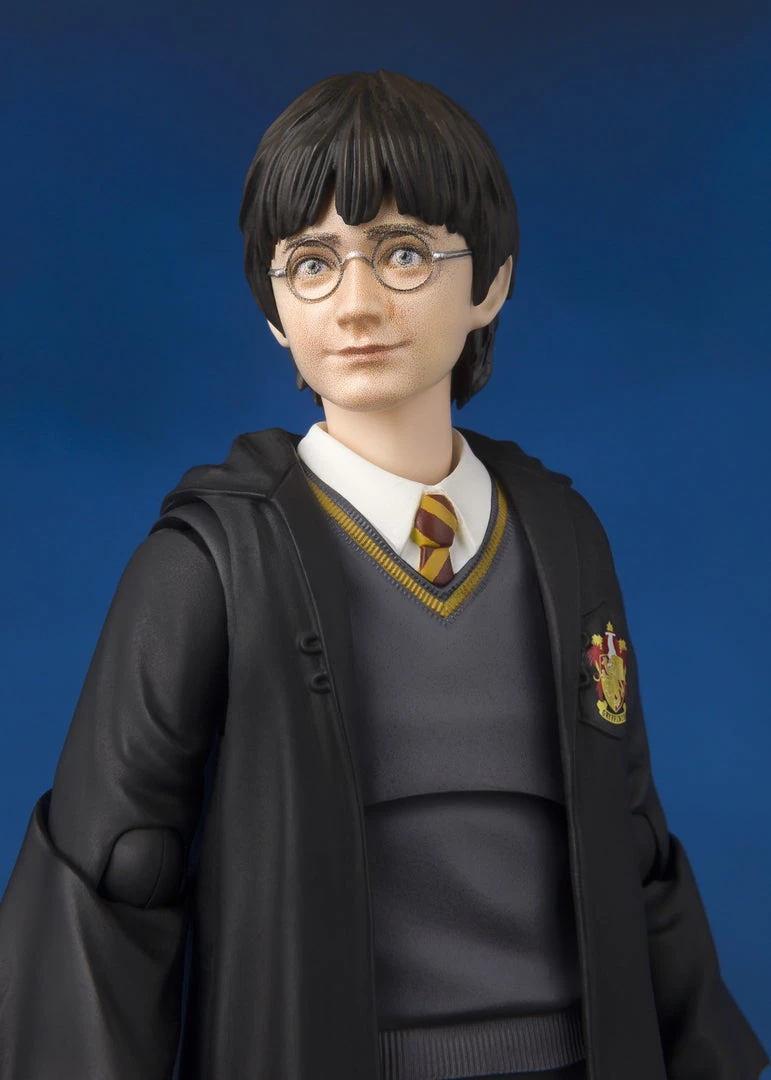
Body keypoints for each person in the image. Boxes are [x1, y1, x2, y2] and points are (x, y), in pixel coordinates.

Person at [0, 70, 767, 1080]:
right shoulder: (211, 565)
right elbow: (108, 888)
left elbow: (630, 842)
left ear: (489, 282)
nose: (357, 303)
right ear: (275, 309)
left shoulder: (563, 540)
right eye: (312, 264)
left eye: (403, 253)